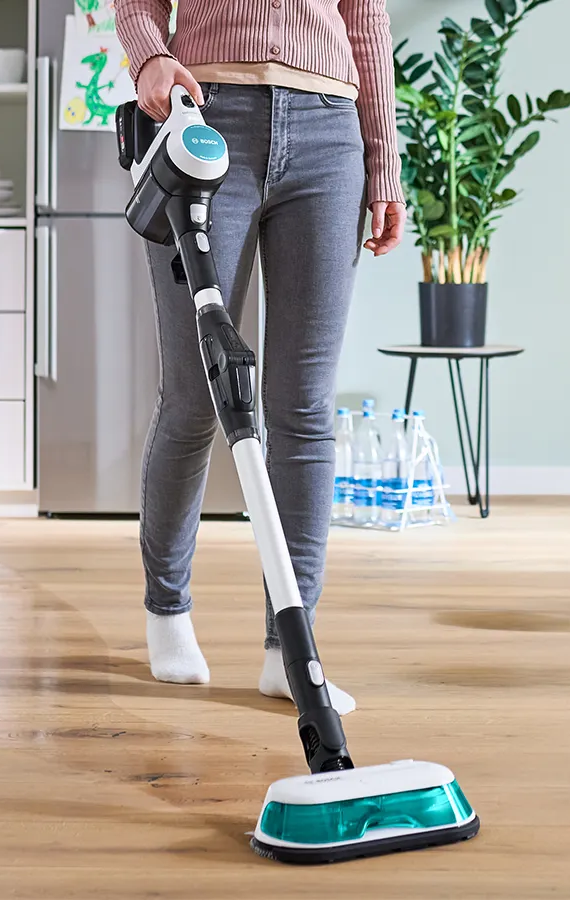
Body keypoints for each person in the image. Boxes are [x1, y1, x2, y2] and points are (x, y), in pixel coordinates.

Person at [115, 0, 405, 715]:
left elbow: (366, 18)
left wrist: (384, 162)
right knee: (195, 396)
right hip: (206, 116)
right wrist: (150, 55)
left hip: (329, 132)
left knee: (303, 409)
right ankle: (166, 608)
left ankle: (290, 650)